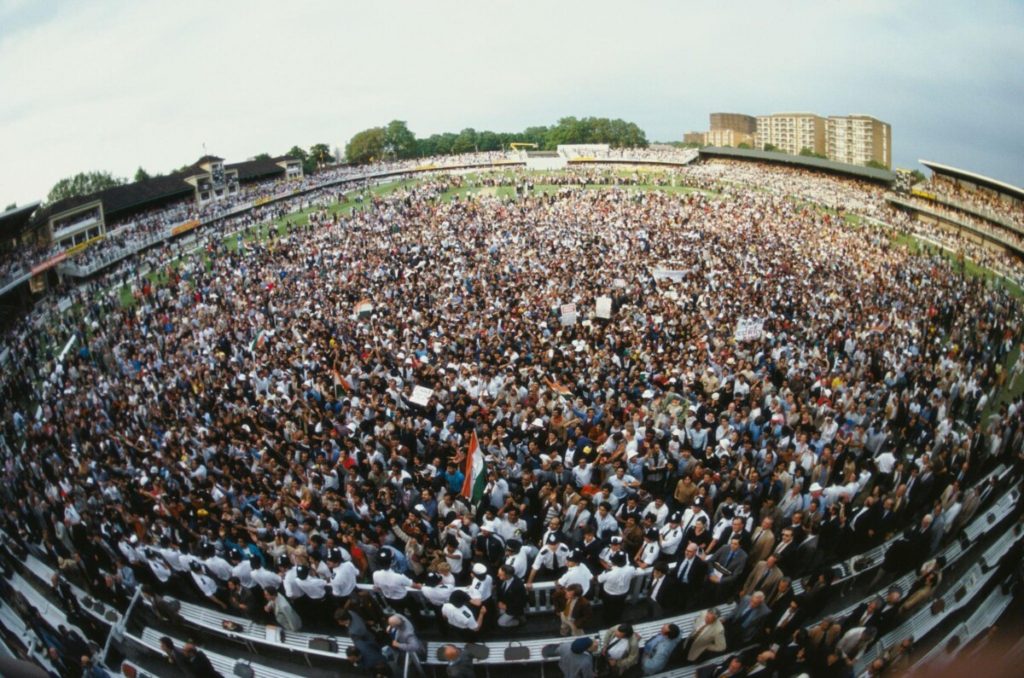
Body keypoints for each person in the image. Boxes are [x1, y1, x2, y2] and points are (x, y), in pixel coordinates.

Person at [387, 614, 426, 678]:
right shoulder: (398, 616)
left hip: (413, 647)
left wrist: (398, 645)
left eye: (392, 625)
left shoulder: (408, 634)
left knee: (418, 655)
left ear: (397, 626)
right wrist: (390, 626)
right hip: (404, 639)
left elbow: (415, 647)